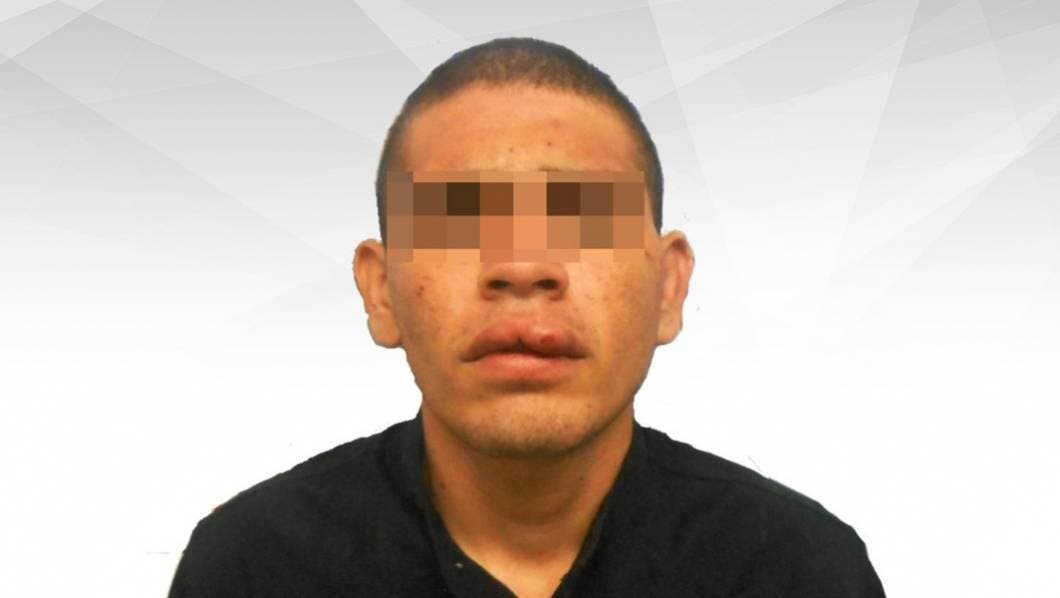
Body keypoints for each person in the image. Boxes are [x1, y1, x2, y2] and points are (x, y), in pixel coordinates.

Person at [168, 37, 885, 597]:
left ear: (669, 287)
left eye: (581, 219)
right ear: (380, 291)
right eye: (460, 220)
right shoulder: (255, 568)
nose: (521, 265)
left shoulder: (796, 571)